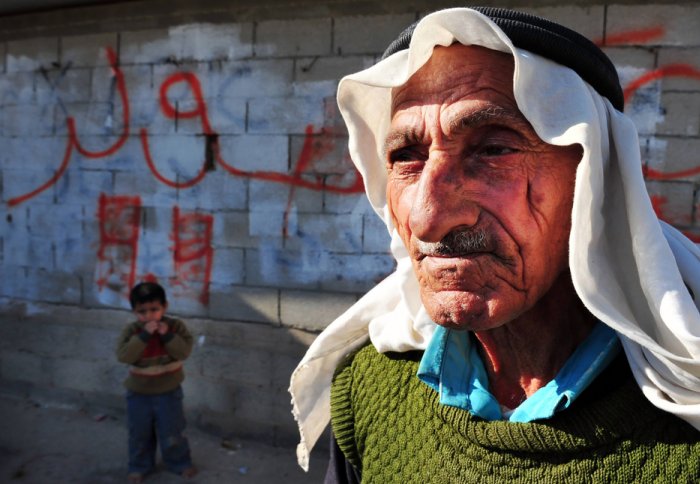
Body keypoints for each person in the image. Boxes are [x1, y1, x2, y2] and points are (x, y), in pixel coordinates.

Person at [289, 7, 700, 482]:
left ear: (595, 183)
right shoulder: (372, 388)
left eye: (494, 149)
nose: (427, 217)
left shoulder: (681, 419)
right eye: (406, 157)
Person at [116, 281, 197, 483]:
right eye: (142, 311)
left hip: (169, 392)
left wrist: (166, 335)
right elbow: (124, 356)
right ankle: (139, 466)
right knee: (139, 433)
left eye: (154, 310)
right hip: (138, 394)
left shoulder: (175, 327)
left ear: (165, 307)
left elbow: (183, 352)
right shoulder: (132, 331)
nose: (149, 316)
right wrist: (144, 336)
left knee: (173, 431)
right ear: (134, 311)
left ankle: (179, 463)